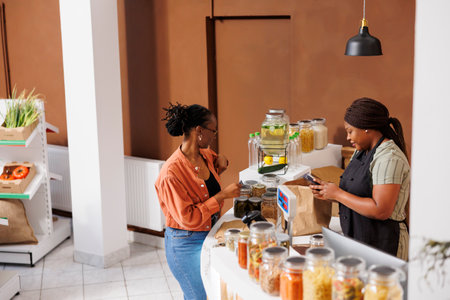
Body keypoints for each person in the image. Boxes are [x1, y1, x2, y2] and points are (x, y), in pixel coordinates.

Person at [155, 103, 241, 300]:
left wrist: (222, 161)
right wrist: (222, 196)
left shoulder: (204, 155)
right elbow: (189, 218)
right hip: (185, 244)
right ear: (199, 131)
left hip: (208, 234)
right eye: (213, 130)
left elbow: (218, 162)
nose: (215, 135)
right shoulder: (171, 173)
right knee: (199, 296)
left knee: (211, 293)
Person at [311, 97, 410, 260]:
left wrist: (338, 194)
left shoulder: (389, 158)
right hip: (362, 240)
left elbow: (381, 210)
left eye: (350, 131)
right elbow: (361, 193)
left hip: (385, 244)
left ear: (366, 128)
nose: (348, 137)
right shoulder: (361, 151)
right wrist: (329, 193)